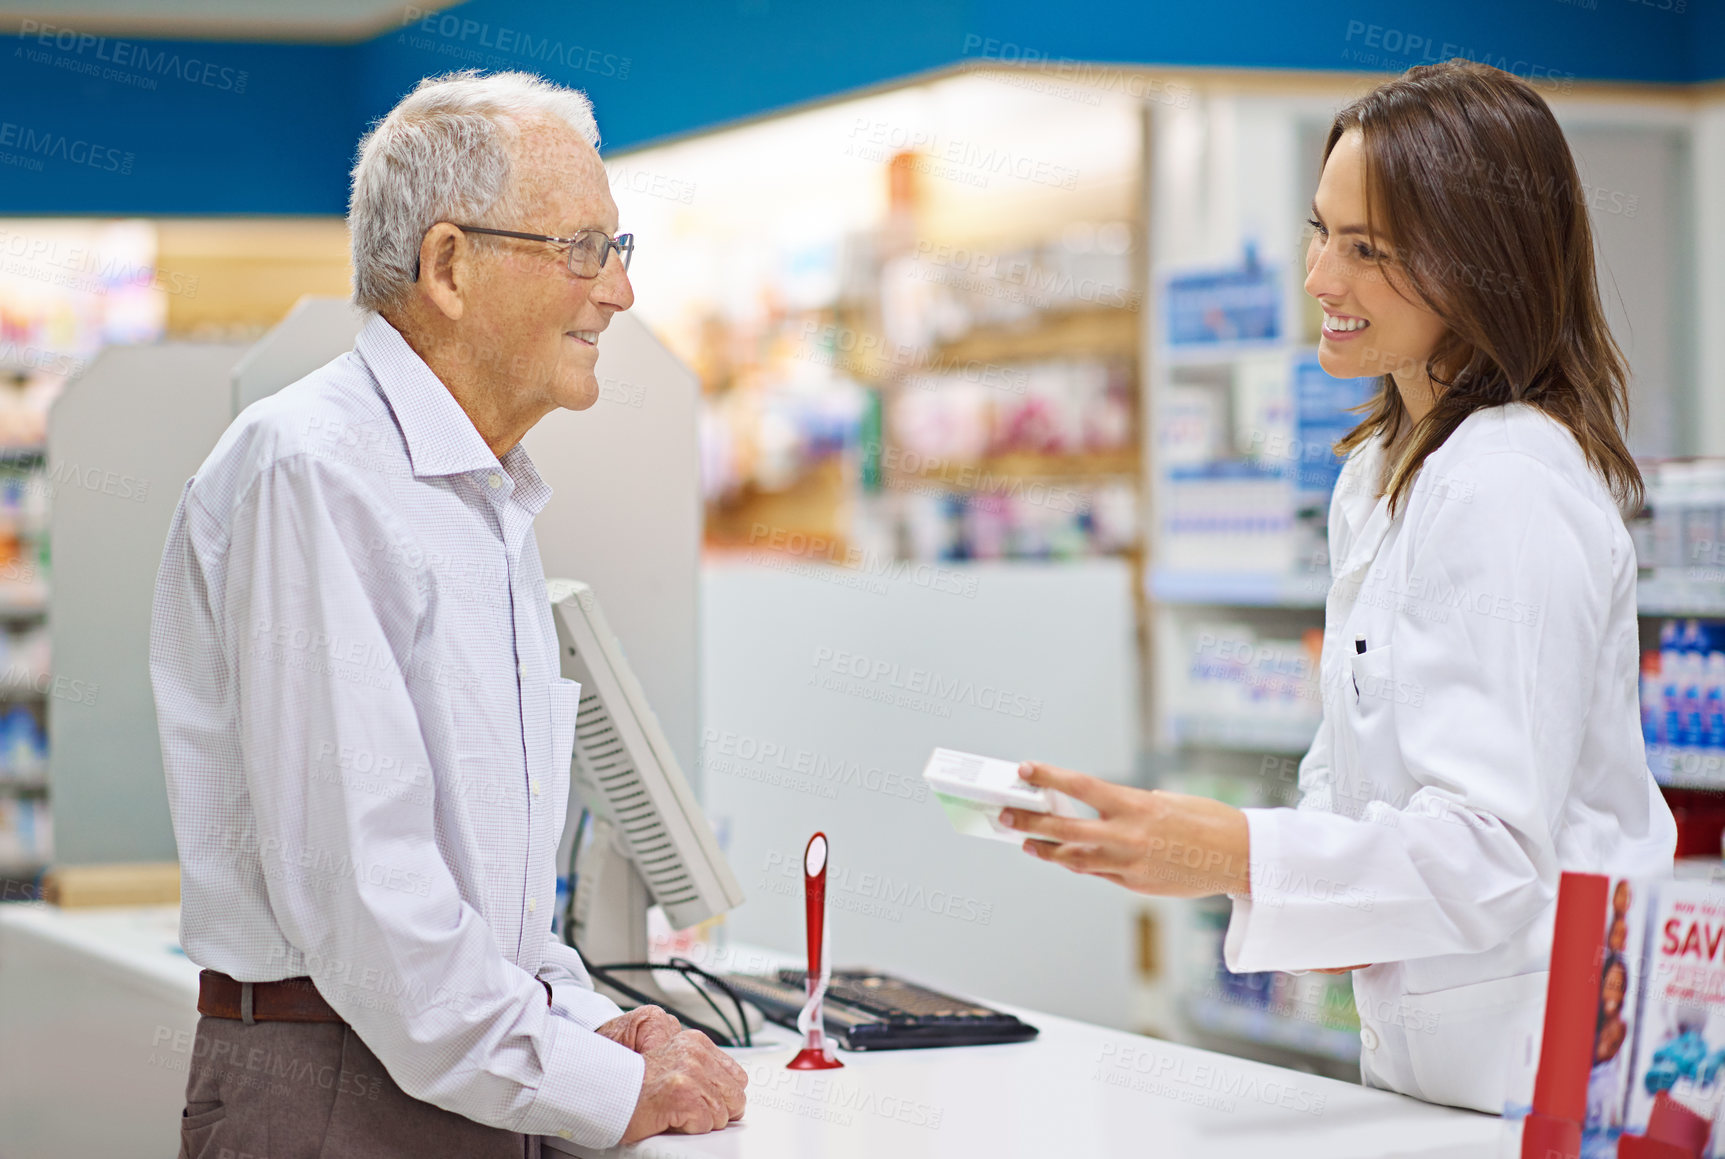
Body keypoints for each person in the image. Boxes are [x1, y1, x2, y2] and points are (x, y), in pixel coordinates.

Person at [1001, 59, 1676, 1115]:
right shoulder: (1382, 473)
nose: (1321, 277)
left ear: (1481, 263)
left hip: (1536, 1070)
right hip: (1438, 1070)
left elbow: (1492, 851)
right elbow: (1350, 781)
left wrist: (1227, 848)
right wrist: (1234, 852)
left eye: (1369, 249)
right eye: (1323, 232)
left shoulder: (1507, 482)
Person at [151, 71, 746, 1158]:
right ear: (448, 267)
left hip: (436, 1074)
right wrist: (609, 1087)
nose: (616, 292)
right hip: (340, 1092)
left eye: (618, 250)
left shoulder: (483, 495)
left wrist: (584, 1022)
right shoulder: (318, 474)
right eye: (581, 249)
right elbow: (374, 912)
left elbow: (478, 903)